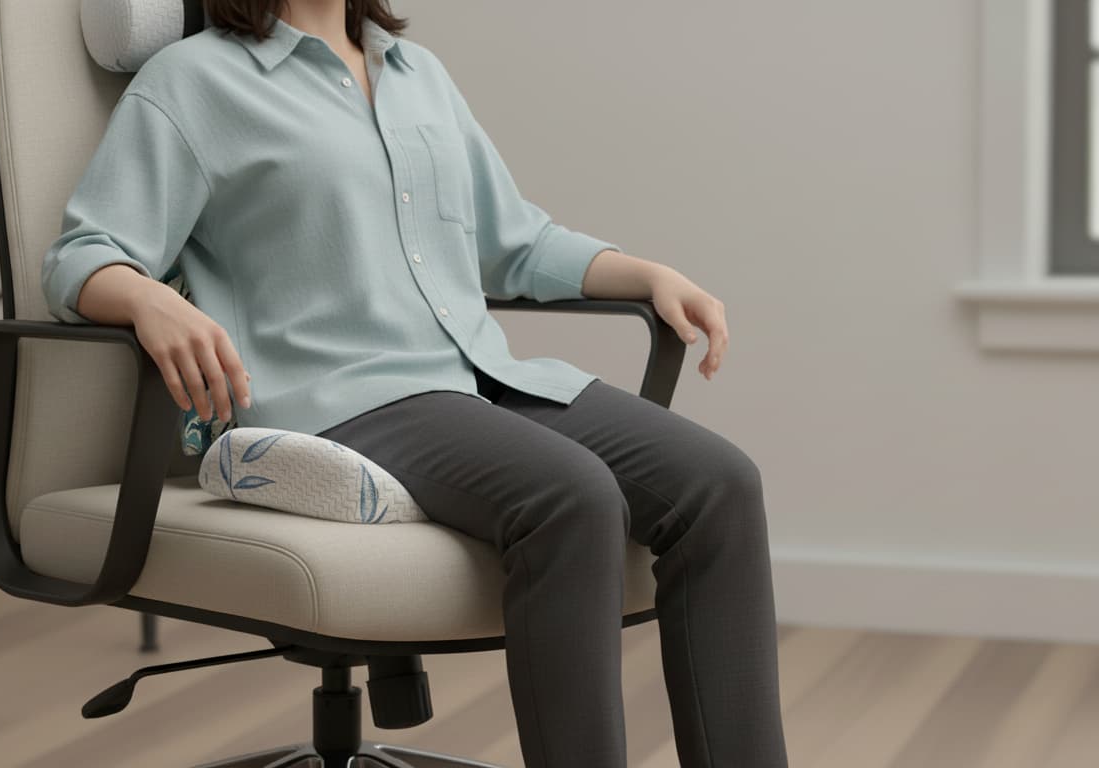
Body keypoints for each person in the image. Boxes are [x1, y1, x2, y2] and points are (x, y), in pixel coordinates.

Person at [41, 1, 790, 765]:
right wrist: (147, 297)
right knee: (573, 495)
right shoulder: (194, 80)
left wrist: (649, 273)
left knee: (721, 486)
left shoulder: (416, 73)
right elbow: (81, 253)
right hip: (337, 397)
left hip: (475, 375)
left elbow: (515, 243)